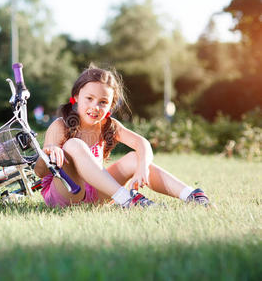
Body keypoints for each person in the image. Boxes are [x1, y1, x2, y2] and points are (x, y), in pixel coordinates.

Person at [34, 65, 210, 208]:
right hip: (66, 193)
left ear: (111, 105)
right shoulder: (60, 125)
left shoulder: (109, 126)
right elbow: (40, 172)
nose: (96, 107)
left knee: (135, 157)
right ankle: (127, 200)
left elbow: (142, 143)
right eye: (89, 98)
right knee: (73, 144)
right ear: (76, 97)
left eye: (103, 102)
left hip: (97, 194)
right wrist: (50, 152)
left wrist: (142, 166)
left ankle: (192, 195)